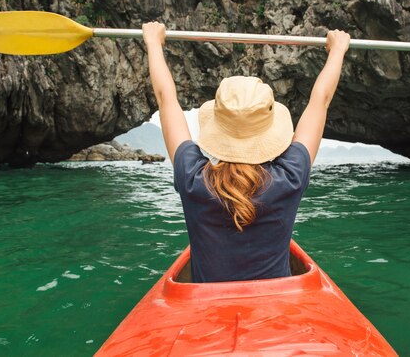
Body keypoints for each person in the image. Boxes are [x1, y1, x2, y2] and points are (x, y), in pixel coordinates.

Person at [142, 22, 351, 283]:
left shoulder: (192, 176)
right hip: (273, 303)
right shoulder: (291, 175)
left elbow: (166, 99)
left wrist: (153, 42)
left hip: (208, 306)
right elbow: (320, 100)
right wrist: (338, 49)